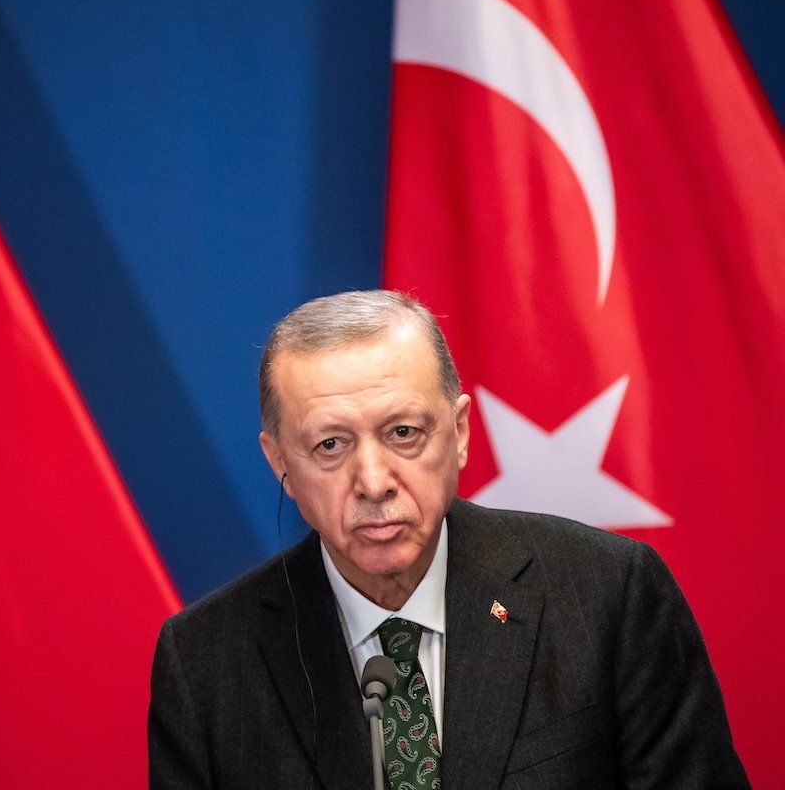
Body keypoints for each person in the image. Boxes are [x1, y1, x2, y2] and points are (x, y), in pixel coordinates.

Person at [148, 290, 748, 789]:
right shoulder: (206, 662)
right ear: (280, 462)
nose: (374, 482)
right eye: (330, 445)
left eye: (403, 432)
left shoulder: (607, 596)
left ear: (459, 432)